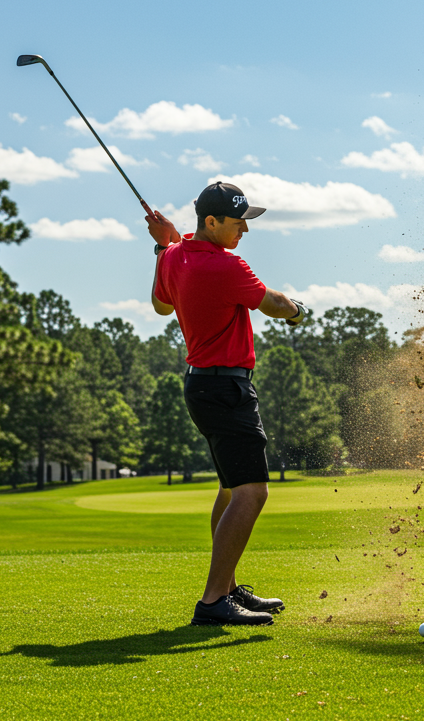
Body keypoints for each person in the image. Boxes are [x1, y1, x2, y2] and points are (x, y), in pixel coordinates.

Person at [146, 182, 308, 627]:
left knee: (231, 489)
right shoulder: (226, 264)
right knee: (254, 491)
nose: (245, 232)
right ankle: (214, 599)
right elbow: (271, 302)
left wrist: (164, 246)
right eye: (239, 224)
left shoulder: (175, 256)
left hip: (202, 387)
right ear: (211, 222)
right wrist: (297, 309)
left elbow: (161, 305)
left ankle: (228, 587)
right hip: (227, 389)